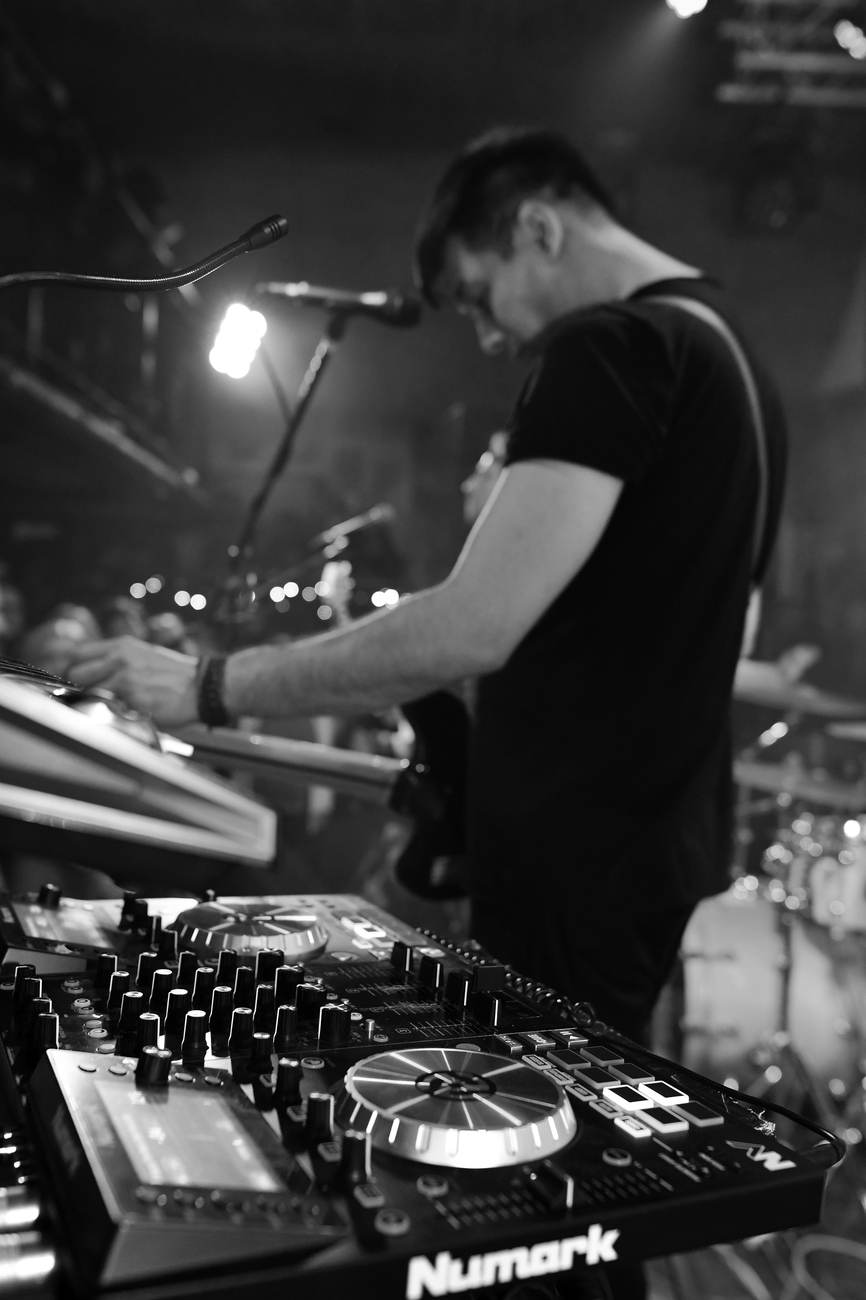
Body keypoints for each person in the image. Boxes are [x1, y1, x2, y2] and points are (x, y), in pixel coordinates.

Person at [69, 126, 786, 1051]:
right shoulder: (733, 360)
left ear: (538, 229)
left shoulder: (616, 347)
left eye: (479, 296)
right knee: (565, 1106)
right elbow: (721, 625)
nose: (490, 339)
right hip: (649, 852)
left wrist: (208, 686)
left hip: (574, 857)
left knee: (520, 1119)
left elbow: (469, 630)